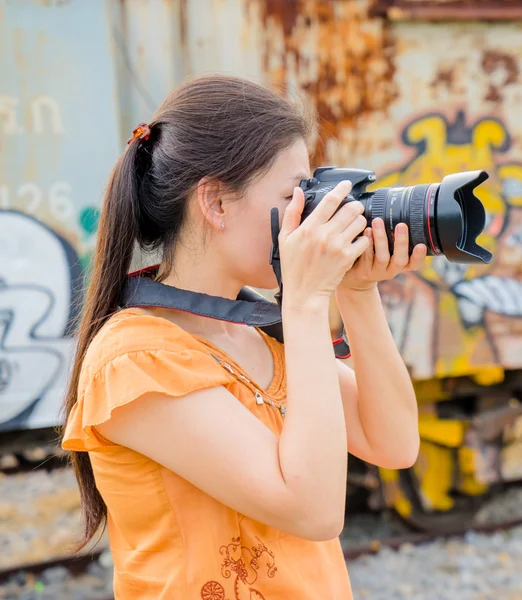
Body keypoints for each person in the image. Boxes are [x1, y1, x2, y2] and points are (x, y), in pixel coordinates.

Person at [60, 74, 426, 599]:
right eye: (294, 194)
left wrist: (358, 292)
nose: (313, 214)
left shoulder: (254, 330)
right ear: (216, 203)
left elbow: (394, 443)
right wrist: (302, 302)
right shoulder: (136, 359)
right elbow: (315, 510)